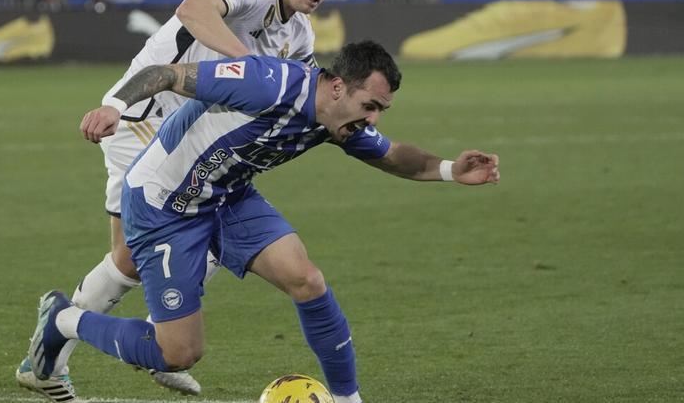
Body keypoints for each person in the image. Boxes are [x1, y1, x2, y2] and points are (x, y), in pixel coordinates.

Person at [27, 41, 500, 403]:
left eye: (380, 111)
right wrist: (115, 106)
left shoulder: (335, 120)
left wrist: (449, 171)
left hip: (229, 196)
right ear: (338, 86)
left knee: (307, 279)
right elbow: (164, 73)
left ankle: (347, 398)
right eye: (370, 106)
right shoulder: (267, 83)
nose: (372, 120)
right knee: (178, 353)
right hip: (163, 203)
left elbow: (394, 155)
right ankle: (64, 318)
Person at [15, 0, 351, 402]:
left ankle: (148, 339)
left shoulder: (298, 34)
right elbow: (194, 9)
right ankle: (67, 351)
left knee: (142, 253)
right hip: (143, 117)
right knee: (138, 255)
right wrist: (248, 67)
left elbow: (295, 98)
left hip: (195, 140)